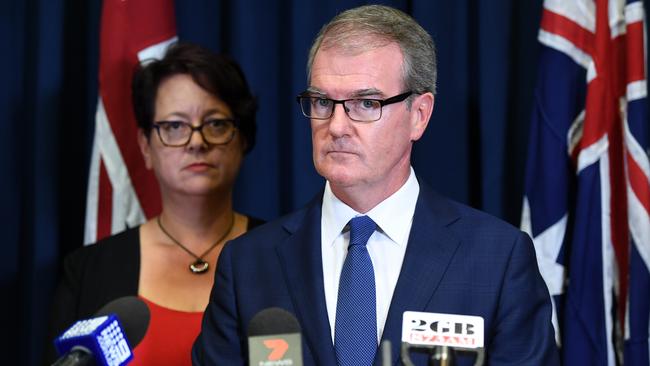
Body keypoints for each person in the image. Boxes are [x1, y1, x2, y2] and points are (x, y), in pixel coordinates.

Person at [192, 5, 559, 366]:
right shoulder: (247, 265)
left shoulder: (498, 260)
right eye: (322, 102)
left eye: (365, 103)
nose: (336, 126)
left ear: (419, 115)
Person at [45, 42, 262, 365]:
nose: (197, 142)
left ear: (242, 138)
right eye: (174, 126)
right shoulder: (89, 270)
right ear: (145, 146)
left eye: (216, 124)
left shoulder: (285, 255)